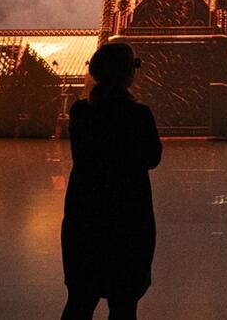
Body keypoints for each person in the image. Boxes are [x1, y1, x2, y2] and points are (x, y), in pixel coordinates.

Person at [62, 42, 162, 319]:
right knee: (124, 303)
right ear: (128, 74)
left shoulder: (80, 111)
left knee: (80, 300)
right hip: (128, 212)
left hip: (86, 210)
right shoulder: (139, 114)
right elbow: (152, 158)